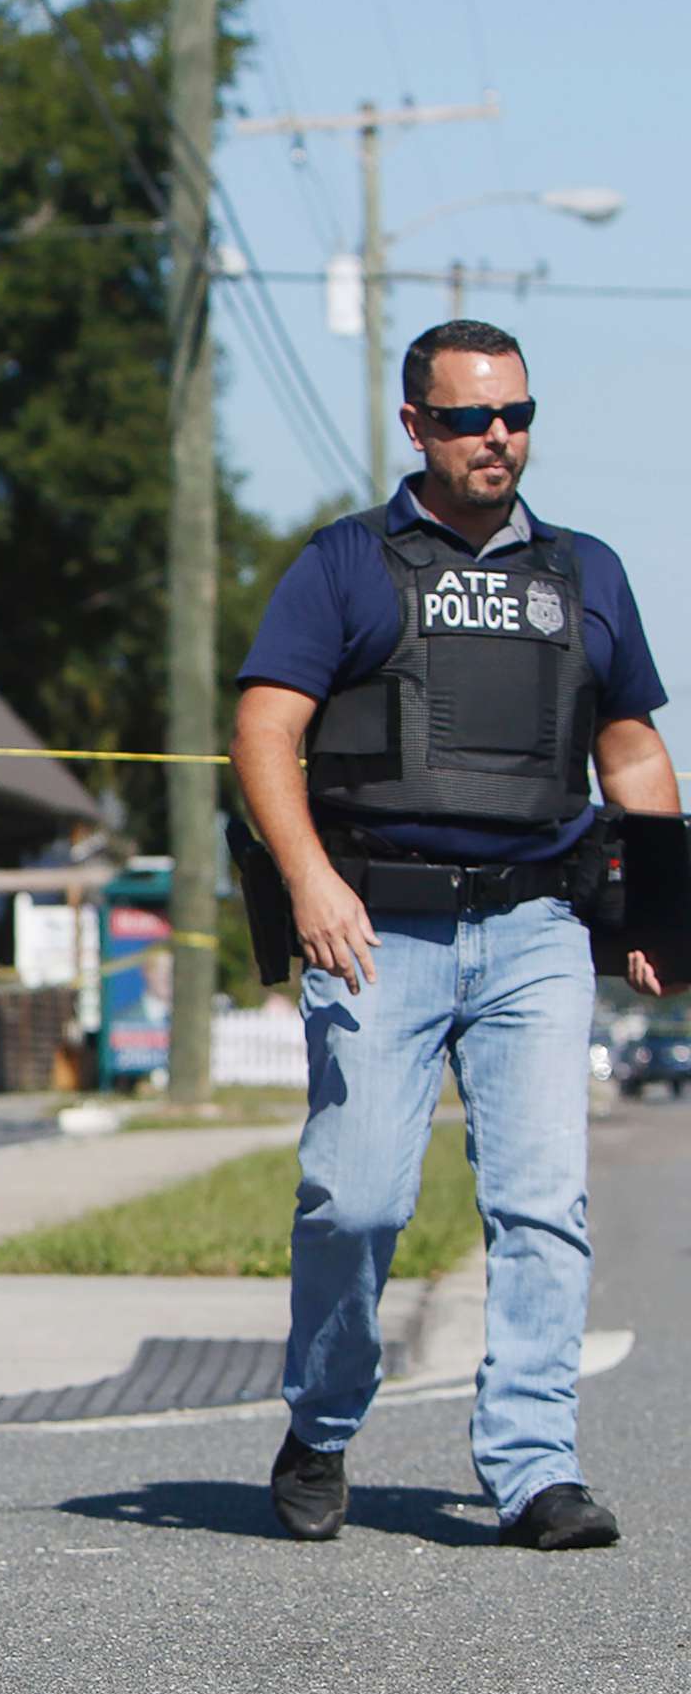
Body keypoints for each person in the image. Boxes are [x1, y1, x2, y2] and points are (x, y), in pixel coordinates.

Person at [231, 318, 677, 1552]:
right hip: (377, 922)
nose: (500, 440)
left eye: (517, 416)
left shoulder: (588, 572)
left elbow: (630, 745)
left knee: (542, 1204)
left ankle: (534, 1469)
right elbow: (267, 731)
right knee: (356, 1201)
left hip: (536, 925)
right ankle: (321, 1424)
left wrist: (660, 907)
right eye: (473, 418)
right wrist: (310, 879)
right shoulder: (345, 564)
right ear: (417, 425)